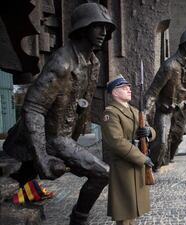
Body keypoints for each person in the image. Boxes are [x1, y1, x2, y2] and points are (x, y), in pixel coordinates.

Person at [3, 3, 115, 225]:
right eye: (97, 27)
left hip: (63, 136)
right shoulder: (62, 62)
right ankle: (79, 219)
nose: (103, 33)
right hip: (48, 137)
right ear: (83, 28)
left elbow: (81, 102)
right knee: (103, 173)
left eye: (106, 28)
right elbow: (34, 108)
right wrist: (42, 156)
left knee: (22, 177)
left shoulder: (93, 62)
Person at [101, 75, 156, 225]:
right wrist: (142, 158)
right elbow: (116, 142)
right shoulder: (110, 113)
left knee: (134, 207)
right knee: (125, 211)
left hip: (137, 162)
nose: (129, 89)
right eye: (124, 88)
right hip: (124, 166)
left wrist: (148, 132)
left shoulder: (134, 110)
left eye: (129, 87)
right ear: (114, 92)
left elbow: (150, 128)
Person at [145, 29, 186, 171]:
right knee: (162, 141)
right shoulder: (169, 65)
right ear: (182, 44)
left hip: (181, 109)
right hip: (165, 108)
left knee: (178, 138)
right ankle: (152, 166)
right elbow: (153, 91)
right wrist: (144, 112)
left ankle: (166, 159)